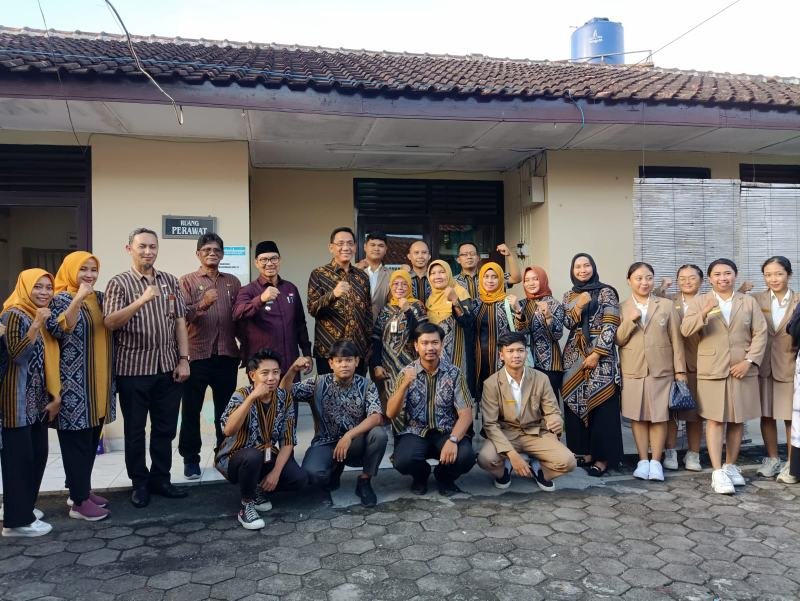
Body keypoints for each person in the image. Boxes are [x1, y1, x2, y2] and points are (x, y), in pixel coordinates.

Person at [103, 228, 190, 508]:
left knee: (165, 430)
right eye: (142, 246)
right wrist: (141, 299)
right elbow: (110, 322)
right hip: (133, 372)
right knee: (135, 432)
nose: (148, 251)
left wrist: (184, 359)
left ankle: (161, 479)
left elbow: (179, 322)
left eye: (152, 246)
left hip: (167, 369)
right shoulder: (119, 283)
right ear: (129, 249)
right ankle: (139, 483)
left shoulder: (170, 281)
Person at [681, 258, 768, 494]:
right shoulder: (701, 301)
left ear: (735, 275)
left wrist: (749, 361)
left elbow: (761, 333)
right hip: (712, 369)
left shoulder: (747, 301)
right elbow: (686, 330)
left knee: (737, 419)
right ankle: (717, 472)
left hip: (742, 369)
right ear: (709, 278)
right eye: (717, 274)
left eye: (727, 273)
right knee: (716, 419)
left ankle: (730, 465)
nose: (723, 278)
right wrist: (704, 313)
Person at [48, 252, 114, 521]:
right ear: (70, 271)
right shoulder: (58, 298)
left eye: (93, 269)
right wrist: (77, 297)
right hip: (74, 386)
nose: (89, 275)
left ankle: (82, 490)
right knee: (75, 444)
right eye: (83, 269)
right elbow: (60, 329)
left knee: (89, 442)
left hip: (98, 384)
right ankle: (78, 502)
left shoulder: (98, 298)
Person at [283, 341, 387, 508]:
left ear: (356, 362)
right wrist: (293, 370)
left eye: (348, 360)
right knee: (312, 474)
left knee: (379, 435)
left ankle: (365, 481)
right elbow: (285, 392)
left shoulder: (367, 385)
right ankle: (333, 470)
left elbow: (377, 417)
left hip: (355, 443)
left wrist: (349, 436)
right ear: (331, 363)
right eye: (339, 361)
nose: (344, 365)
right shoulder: (317, 383)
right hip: (325, 442)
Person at [215, 349, 306, 530]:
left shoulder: (284, 398)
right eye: (265, 373)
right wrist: (251, 398)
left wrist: (275, 473)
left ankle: (257, 488)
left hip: (266, 454)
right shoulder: (241, 395)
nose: (271, 378)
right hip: (236, 458)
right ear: (252, 375)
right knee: (253, 456)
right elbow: (228, 430)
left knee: (299, 479)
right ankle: (246, 505)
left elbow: (287, 440)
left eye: (275, 372)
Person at [0, 269, 60, 537]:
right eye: (38, 287)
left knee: (36, 457)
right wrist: (36, 324)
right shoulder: (13, 314)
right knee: (19, 462)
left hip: (35, 403)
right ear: (25, 287)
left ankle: (23, 507)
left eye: (49, 287)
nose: (45, 292)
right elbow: (18, 355)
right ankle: (16, 522)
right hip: (16, 403)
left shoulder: (34, 314)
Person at [179, 233, 242, 480]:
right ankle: (191, 459)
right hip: (196, 355)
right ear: (198, 254)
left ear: (222, 254)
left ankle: (223, 454)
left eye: (216, 250)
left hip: (226, 354)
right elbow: (181, 318)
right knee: (191, 410)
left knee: (225, 411)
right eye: (206, 250)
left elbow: (239, 320)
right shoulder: (186, 281)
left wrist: (244, 348)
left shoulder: (233, 282)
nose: (211, 253)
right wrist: (203, 304)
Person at [478, 332, 576, 490]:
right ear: (501, 355)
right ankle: (504, 471)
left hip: (536, 431)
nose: (516, 355)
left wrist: (556, 420)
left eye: (520, 350)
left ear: (526, 352)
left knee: (568, 461)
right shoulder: (491, 383)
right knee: (485, 459)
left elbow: (553, 410)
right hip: (507, 433)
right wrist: (512, 455)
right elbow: (490, 424)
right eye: (510, 351)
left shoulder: (541, 378)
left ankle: (539, 470)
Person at [616, 262, 687, 482]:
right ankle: (642, 460)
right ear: (629, 281)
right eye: (638, 278)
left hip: (661, 370)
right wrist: (630, 320)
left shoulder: (665, 305)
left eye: (648, 278)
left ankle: (656, 461)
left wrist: (680, 371)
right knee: (637, 417)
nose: (644, 282)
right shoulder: (621, 307)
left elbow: (677, 340)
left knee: (659, 416)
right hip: (633, 369)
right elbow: (618, 339)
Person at [387, 322, 475, 496]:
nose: (430, 347)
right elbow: (391, 413)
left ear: (441, 345)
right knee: (403, 461)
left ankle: (444, 476)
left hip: (446, 431)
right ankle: (421, 475)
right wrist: (405, 384)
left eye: (434, 342)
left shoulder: (455, 373)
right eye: (424, 343)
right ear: (416, 346)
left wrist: (453, 440)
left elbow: (466, 415)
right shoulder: (406, 372)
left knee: (466, 456)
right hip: (415, 432)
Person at [561, 253, 623, 477]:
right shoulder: (569, 294)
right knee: (575, 400)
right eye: (578, 266)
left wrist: (598, 353)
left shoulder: (607, 291)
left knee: (602, 404)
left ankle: (603, 458)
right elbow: (567, 322)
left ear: (593, 267)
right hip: (574, 354)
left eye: (586, 265)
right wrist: (578, 306)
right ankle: (584, 453)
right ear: (572, 270)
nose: (582, 270)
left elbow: (611, 322)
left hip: (601, 353)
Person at [234, 240, 311, 378]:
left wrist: (307, 353)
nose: (269, 263)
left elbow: (300, 324)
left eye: (274, 258)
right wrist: (261, 299)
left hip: (290, 364)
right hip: (262, 368)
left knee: (289, 399)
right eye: (264, 259)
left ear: (279, 260)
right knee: (264, 400)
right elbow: (237, 313)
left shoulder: (290, 288)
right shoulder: (248, 290)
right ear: (256, 263)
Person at [753, 256, 800, 479]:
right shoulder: (755, 300)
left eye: (779, 274)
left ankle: (792, 464)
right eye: (768, 274)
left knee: (791, 417)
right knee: (767, 415)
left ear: (788, 275)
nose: (773, 279)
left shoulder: (799, 300)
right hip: (763, 366)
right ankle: (772, 458)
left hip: (789, 365)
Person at [658, 264, 705, 472]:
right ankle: (671, 451)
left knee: (694, 413)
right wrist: (661, 289)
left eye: (692, 278)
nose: (687, 281)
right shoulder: (670, 301)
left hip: (699, 364)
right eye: (682, 278)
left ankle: (693, 454)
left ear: (701, 280)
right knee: (671, 411)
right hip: (670, 364)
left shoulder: (709, 301)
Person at [307, 227, 372, 376]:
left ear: (355, 247)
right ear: (331, 247)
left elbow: (367, 313)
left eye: (350, 243)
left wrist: (369, 346)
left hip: (357, 351)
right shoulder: (319, 274)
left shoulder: (362, 276)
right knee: (327, 397)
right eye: (340, 243)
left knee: (356, 396)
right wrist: (333, 294)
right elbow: (312, 309)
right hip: (328, 351)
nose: (346, 247)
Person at [370, 270, 428, 404]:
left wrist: (407, 310)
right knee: (391, 405)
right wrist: (377, 365)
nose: (399, 287)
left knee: (412, 402)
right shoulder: (386, 309)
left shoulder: (417, 306)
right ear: (391, 286)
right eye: (396, 284)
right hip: (387, 366)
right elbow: (377, 339)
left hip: (412, 364)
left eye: (404, 284)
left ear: (409, 287)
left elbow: (421, 334)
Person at [516, 266, 565, 398]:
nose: (531, 283)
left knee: (549, 407)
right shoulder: (521, 304)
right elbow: (519, 333)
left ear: (542, 280)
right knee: (529, 408)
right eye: (527, 280)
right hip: (526, 363)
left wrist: (548, 316)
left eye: (535, 279)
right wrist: (519, 314)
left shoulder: (554, 304)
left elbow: (558, 335)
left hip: (549, 365)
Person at [426, 260, 474, 384]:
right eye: (433, 273)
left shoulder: (460, 291)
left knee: (457, 387)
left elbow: (468, 322)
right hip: (435, 355)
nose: (437, 276)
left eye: (442, 272)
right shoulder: (430, 298)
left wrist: (454, 300)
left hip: (457, 353)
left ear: (449, 273)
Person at [472, 262, 515, 398]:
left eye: (494, 277)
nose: (490, 280)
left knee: (504, 401)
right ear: (481, 279)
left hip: (502, 360)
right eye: (486, 276)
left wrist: (519, 311)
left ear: (501, 279)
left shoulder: (507, 302)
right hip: (478, 360)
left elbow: (520, 330)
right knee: (484, 401)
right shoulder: (474, 303)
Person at [454, 242, 522, 297]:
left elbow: (516, 279)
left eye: (472, 254)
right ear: (458, 260)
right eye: (464, 254)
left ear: (478, 258)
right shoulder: (453, 282)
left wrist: (509, 255)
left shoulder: (490, 277)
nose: (469, 257)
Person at [357, 232, 391, 323]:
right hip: (356, 326)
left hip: (381, 326)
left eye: (380, 245)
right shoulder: (353, 270)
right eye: (372, 245)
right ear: (365, 247)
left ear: (386, 249)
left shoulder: (391, 275)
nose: (376, 248)